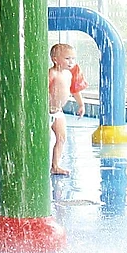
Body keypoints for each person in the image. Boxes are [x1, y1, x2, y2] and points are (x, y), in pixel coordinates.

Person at [48, 43, 87, 176]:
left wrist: (81, 104)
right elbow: (43, 90)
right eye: (67, 58)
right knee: (44, 138)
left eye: (73, 59)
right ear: (55, 59)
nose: (71, 62)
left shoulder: (69, 74)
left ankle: (55, 166)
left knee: (62, 138)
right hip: (46, 112)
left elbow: (74, 90)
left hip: (58, 112)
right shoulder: (52, 73)